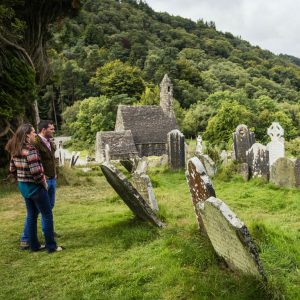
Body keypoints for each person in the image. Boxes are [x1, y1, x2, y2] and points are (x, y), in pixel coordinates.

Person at [5, 124, 62, 253]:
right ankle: (51, 247)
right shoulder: (31, 150)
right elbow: (36, 173)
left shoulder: (15, 150)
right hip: (35, 187)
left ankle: (34, 246)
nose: (35, 134)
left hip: (23, 187)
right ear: (27, 135)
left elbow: (12, 169)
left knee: (31, 215)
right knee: (47, 215)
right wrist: (44, 183)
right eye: (33, 133)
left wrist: (21, 177)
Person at [20, 120, 59, 249]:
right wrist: (43, 180)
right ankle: (28, 239)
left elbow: (51, 159)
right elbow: (35, 166)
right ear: (44, 130)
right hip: (41, 181)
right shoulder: (34, 144)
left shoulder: (50, 142)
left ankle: (45, 233)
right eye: (51, 129)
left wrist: (54, 174)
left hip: (51, 178)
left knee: (48, 207)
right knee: (40, 211)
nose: (53, 131)